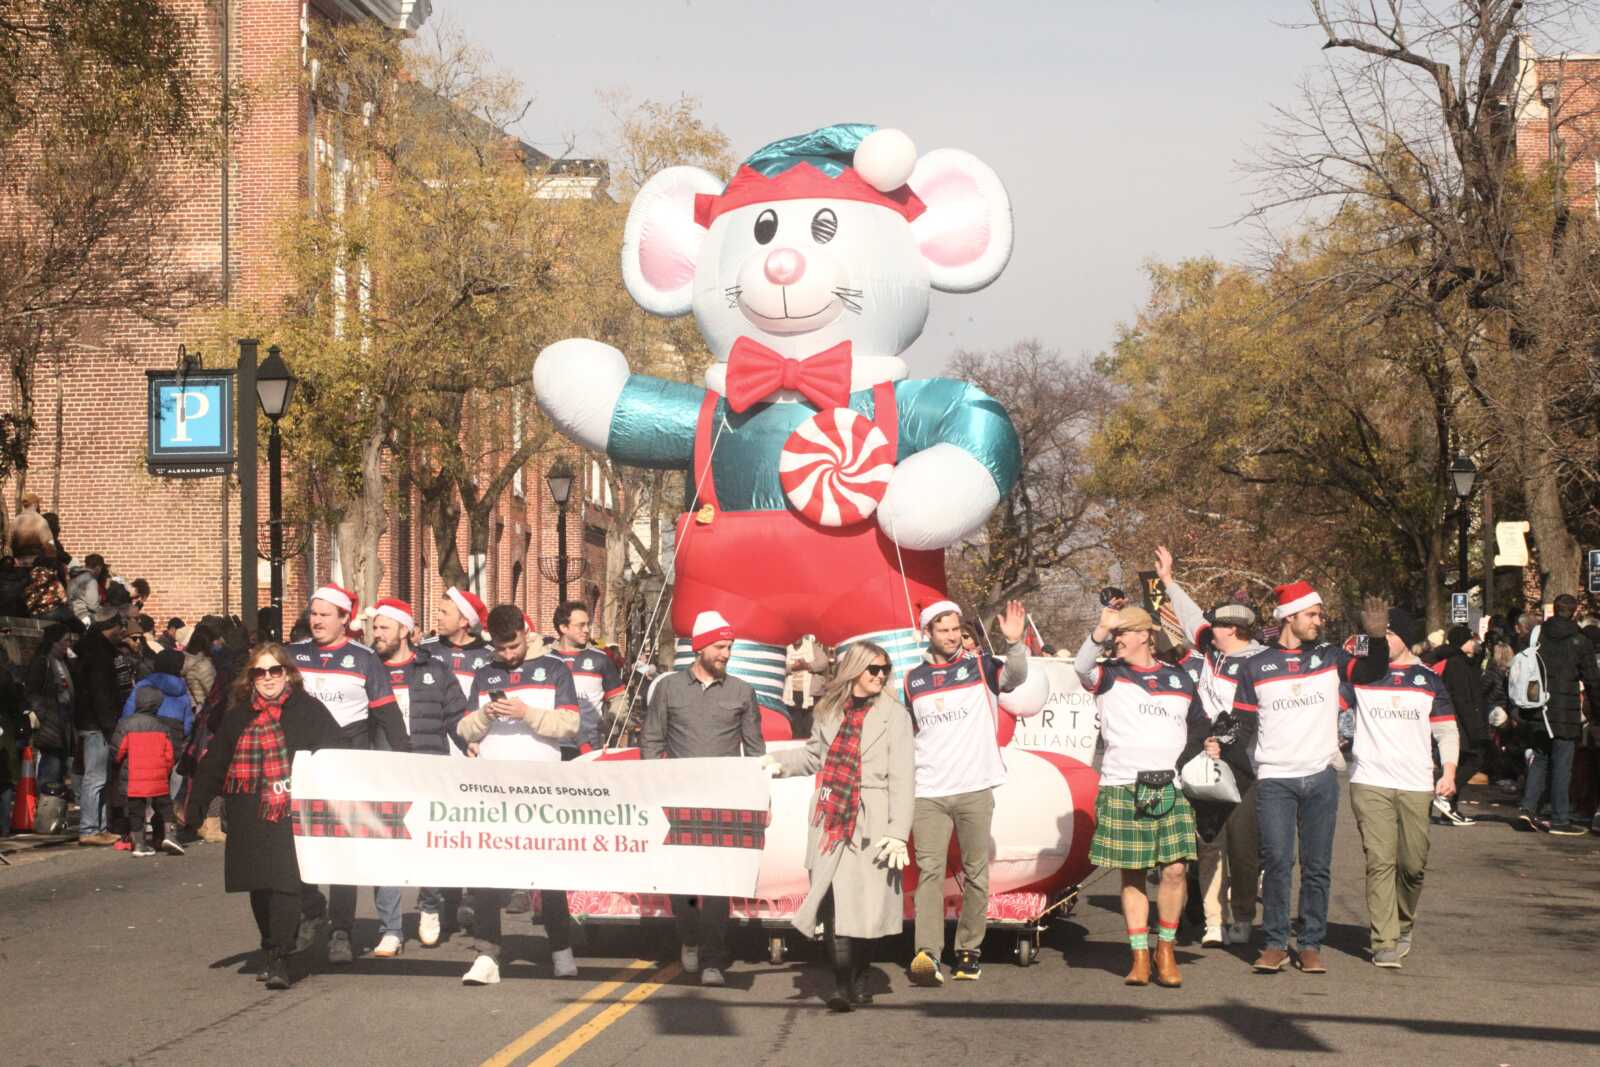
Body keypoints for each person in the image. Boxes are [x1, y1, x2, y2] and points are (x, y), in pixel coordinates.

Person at [1231, 581, 1390, 975]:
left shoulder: (1330, 657)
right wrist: (1221, 747)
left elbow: (1370, 672)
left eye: (1320, 614)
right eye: (1312, 614)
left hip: (1320, 777)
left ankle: (1310, 943)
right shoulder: (1255, 666)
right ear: (1289, 617)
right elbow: (1242, 724)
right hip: (1275, 780)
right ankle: (1274, 944)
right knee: (1278, 862)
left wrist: (1376, 639)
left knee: (1316, 866)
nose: (1319, 621)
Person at [762, 642, 913, 1011]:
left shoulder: (895, 716)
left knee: (866, 905)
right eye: (873, 669)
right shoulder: (828, 710)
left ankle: (859, 975)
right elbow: (813, 756)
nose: (880, 676)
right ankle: (842, 985)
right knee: (833, 901)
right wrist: (775, 763)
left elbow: (903, 777)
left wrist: (898, 832)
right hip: (831, 816)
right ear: (855, 670)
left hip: (873, 818)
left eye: (885, 670)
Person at [186, 643, 342, 989]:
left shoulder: (307, 709)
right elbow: (216, 761)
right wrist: (197, 803)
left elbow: (336, 750)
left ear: (287, 674)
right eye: (260, 672)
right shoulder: (239, 715)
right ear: (251, 678)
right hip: (247, 811)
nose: (268, 678)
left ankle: (282, 958)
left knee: (285, 884)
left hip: (290, 810)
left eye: (275, 670)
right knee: (259, 886)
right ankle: (270, 948)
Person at [1075, 603, 1210, 987]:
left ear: (1145, 635)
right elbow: (1080, 667)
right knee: (1132, 872)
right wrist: (1101, 629)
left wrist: (1203, 748)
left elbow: (1199, 724)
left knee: (1176, 870)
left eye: (1122, 633)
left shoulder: (1178, 678)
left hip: (1171, 786)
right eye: (1114, 634)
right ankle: (1138, 956)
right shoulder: (1108, 675)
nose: (1116, 640)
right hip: (1122, 784)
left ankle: (1164, 949)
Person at [902, 598, 1030, 986]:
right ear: (928, 633)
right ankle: (927, 952)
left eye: (956, 628)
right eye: (943, 630)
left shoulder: (980, 666)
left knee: (976, 873)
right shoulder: (912, 680)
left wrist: (1015, 643)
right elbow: (907, 734)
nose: (952, 636)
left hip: (974, 787)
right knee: (929, 873)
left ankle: (969, 950)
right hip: (928, 792)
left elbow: (1016, 676)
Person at [456, 604, 581, 986]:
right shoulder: (484, 674)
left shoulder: (555, 669)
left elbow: (570, 724)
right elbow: (465, 730)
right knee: (488, 871)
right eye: (501, 648)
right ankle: (487, 953)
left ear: (526, 634)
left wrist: (527, 713)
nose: (508, 655)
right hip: (493, 789)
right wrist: (486, 715)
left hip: (543, 788)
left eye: (514, 646)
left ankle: (561, 947)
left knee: (548, 871)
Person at [640, 610, 765, 988]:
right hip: (678, 802)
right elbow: (652, 741)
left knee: (717, 885)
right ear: (700, 647)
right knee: (682, 883)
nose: (726, 653)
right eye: (720, 646)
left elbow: (755, 752)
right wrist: (652, 790)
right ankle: (690, 937)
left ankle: (713, 957)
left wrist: (761, 800)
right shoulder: (668, 689)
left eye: (730, 647)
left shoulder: (742, 691)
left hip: (725, 802)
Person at [288, 584, 409, 964]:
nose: (317, 620)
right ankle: (310, 911)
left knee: (341, 851)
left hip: (347, 764)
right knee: (293, 849)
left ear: (344, 619)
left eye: (325, 614)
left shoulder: (364, 659)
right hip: (301, 765)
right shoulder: (293, 655)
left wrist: (407, 763)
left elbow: (388, 715)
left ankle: (341, 930)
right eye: (313, 613)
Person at [1154, 546, 1266, 948]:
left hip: (1244, 765)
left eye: (1215, 623)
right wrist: (1168, 581)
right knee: (1208, 845)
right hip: (1205, 759)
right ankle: (1214, 921)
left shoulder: (1262, 661)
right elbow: (1189, 616)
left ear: (1233, 629)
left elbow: (1259, 716)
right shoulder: (1210, 651)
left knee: (1244, 849)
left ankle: (1243, 914)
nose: (1207, 627)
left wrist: (1228, 742)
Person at [1347, 608, 1460, 968]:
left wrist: (1449, 772)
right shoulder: (1363, 674)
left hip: (1415, 783)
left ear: (1405, 638)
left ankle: (1403, 922)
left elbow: (1446, 730)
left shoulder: (1428, 679)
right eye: (1376, 636)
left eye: (1388, 634)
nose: (1381, 641)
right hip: (1370, 780)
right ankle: (1384, 940)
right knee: (1380, 861)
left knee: (1412, 865)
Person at [368, 597, 468, 951]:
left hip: (428, 767)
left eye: (384, 627)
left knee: (429, 844)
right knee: (386, 848)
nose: (377, 634)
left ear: (404, 630)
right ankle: (391, 928)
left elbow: (456, 717)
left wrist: (471, 743)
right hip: (384, 771)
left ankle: (429, 907)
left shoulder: (436, 670)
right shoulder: (369, 668)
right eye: (374, 627)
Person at [1517, 594, 1600, 835]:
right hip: (1566, 712)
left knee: (1539, 759)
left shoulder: (1537, 636)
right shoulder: (1580, 641)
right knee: (1563, 766)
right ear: (1574, 612)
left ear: (1554, 609)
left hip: (1537, 708)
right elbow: (1592, 680)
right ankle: (1560, 818)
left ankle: (1528, 807)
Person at [73, 611, 128, 845]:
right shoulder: (99, 654)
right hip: (97, 724)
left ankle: (100, 827)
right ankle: (89, 828)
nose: (123, 631)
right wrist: (109, 725)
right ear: (111, 626)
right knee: (95, 777)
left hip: (95, 722)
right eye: (121, 626)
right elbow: (101, 693)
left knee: (101, 778)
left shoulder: (95, 650)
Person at [1425, 624, 1486, 826]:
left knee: (1461, 762)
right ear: (1461, 643)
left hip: (1460, 719)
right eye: (1470, 640)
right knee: (1474, 759)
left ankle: (1448, 807)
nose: (1474, 643)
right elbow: (1461, 698)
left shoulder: (1460, 661)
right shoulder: (1456, 664)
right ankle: (1443, 795)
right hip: (1459, 721)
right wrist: (1474, 726)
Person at [112, 687, 184, 857]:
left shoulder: (126, 724)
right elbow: (169, 756)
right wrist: (164, 771)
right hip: (158, 776)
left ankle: (139, 844)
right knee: (165, 807)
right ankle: (169, 836)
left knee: (136, 810)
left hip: (134, 777)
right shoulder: (163, 727)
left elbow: (118, 751)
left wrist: (118, 765)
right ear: (157, 705)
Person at [548, 599, 626, 755]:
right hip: (552, 746)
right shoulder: (545, 658)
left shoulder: (600, 659)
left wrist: (612, 719)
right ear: (563, 627)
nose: (587, 630)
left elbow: (618, 697)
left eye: (588, 624)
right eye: (580, 625)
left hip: (590, 747)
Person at [25, 621, 76, 792]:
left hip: (65, 721)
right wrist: (44, 714)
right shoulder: (42, 662)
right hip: (50, 723)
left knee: (61, 768)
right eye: (66, 640)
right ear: (54, 642)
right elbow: (31, 692)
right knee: (51, 768)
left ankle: (57, 803)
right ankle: (48, 802)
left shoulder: (66, 662)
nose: (69, 644)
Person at [421, 587, 494, 703]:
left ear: (463, 621)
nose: (438, 617)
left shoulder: (489, 654)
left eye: (444, 613)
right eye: (439, 611)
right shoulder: (426, 649)